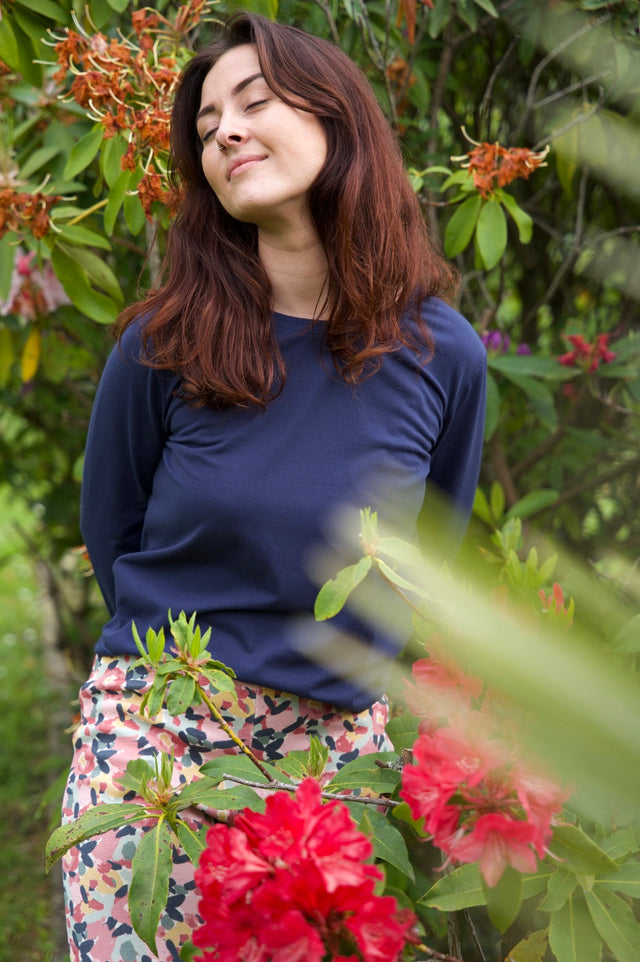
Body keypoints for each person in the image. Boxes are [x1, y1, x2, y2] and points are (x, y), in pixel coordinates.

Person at [61, 11, 487, 962]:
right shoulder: (163, 344)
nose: (225, 132)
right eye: (207, 126)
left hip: (336, 763)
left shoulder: (442, 354)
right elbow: (112, 531)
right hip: (158, 742)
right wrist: (184, 682)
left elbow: (430, 557)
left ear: (338, 117)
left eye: (253, 102)